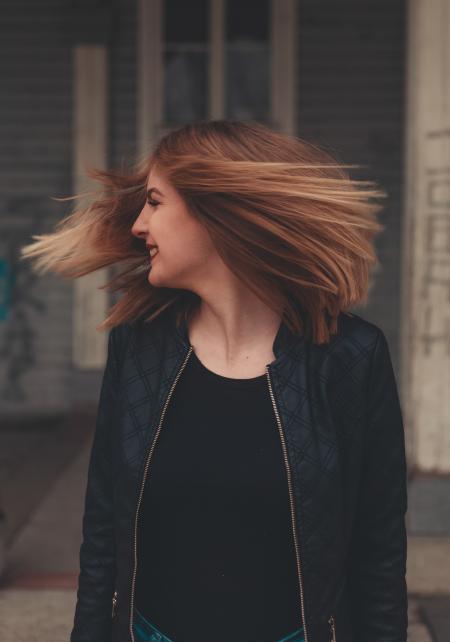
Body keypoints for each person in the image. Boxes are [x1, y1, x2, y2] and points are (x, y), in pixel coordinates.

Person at [21, 119, 408, 642]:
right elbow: (103, 538)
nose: (139, 225)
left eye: (155, 202)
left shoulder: (350, 358)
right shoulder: (138, 348)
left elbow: (377, 553)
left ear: (216, 213)